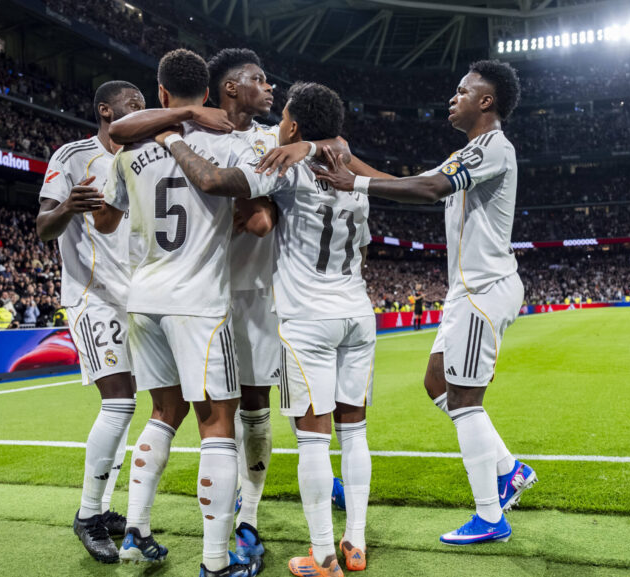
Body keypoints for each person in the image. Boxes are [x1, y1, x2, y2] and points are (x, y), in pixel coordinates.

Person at [109, 48, 350, 561]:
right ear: (229, 89)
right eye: (259, 80)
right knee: (218, 414)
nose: (270, 89)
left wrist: (302, 158)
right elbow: (255, 211)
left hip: (251, 290)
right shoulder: (207, 139)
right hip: (208, 293)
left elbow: (316, 158)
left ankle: (248, 518)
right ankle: (220, 541)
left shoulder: (272, 139)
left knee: (253, 408)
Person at [312, 60, 537, 545]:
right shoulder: (470, 152)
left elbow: (430, 187)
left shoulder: (493, 147)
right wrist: (348, 163)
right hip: (466, 291)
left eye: (462, 90)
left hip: (483, 289)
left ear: (486, 101)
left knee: (463, 398)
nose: (452, 97)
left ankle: (490, 515)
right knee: (437, 381)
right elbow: (404, 181)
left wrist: (355, 184)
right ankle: (507, 468)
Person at [155, 81, 373, 577]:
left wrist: (173, 140)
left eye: (284, 120)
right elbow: (363, 249)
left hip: (308, 318)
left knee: (315, 441)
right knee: (354, 434)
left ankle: (321, 558)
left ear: (292, 127)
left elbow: (215, 182)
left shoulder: (285, 168)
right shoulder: (355, 181)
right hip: (358, 312)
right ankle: (354, 542)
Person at [93, 48, 273, 576]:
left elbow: (107, 217)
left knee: (161, 413)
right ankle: (217, 562)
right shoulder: (234, 143)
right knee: (218, 423)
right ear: (212, 91)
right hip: (199, 301)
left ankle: (135, 532)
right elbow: (257, 217)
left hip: (143, 299)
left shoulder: (132, 148)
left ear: (163, 93)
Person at [36, 79, 147, 564]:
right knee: (119, 402)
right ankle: (87, 514)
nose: (141, 109)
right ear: (105, 109)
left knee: (127, 409)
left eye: (144, 103)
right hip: (92, 297)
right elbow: (43, 228)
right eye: (131, 103)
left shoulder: (143, 160)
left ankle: (101, 507)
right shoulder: (73, 155)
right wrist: (67, 206)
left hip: (137, 298)